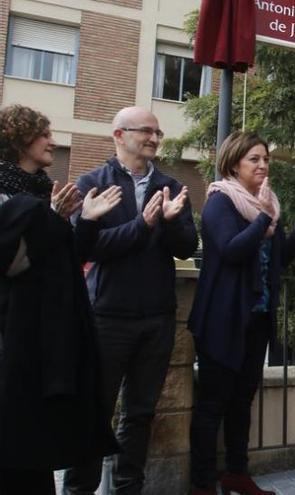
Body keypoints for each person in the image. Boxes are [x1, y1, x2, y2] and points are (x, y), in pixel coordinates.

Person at [187, 132, 295, 495]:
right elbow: (231, 250)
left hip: (257, 319)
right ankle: (203, 483)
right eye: (254, 159)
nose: (263, 165)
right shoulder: (220, 203)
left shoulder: (267, 205)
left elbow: (279, 259)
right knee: (212, 405)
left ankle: (237, 473)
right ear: (233, 163)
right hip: (223, 320)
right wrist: (262, 221)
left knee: (242, 401)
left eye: (265, 159)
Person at [62, 106, 198, 494]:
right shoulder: (93, 182)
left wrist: (170, 222)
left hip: (157, 318)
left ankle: (128, 488)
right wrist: (142, 226)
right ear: (119, 135)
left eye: (158, 133)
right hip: (106, 318)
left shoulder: (169, 185)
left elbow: (188, 245)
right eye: (146, 131)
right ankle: (78, 489)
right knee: (95, 411)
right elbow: (89, 247)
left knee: (140, 415)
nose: (155, 138)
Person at [0, 105, 119, 493]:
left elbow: (65, 261)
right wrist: (48, 217)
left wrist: (85, 221)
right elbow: (16, 262)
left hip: (43, 340)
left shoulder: (41, 192)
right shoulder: (10, 194)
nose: (52, 141)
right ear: (20, 139)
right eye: (43, 134)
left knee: (35, 451)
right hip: (13, 338)